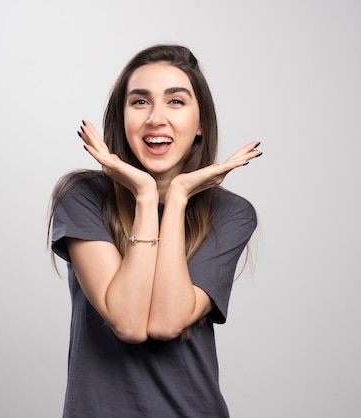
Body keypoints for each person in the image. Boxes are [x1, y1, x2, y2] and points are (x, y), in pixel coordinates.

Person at [47, 44, 261, 417]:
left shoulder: (231, 213)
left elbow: (165, 322)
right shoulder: (82, 197)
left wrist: (177, 198)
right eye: (140, 102)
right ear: (122, 118)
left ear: (200, 125)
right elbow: (129, 322)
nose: (155, 119)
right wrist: (146, 195)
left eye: (175, 102)